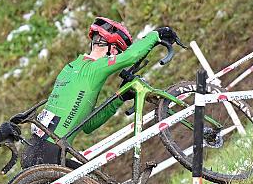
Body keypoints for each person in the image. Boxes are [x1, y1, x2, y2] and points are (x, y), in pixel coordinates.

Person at [21, 17, 181, 168]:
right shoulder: (94, 69)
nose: (118, 57)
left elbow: (88, 124)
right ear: (112, 48)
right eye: (119, 51)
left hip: (33, 150)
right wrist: (156, 35)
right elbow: (132, 56)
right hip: (49, 152)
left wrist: (121, 98)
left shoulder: (71, 68)